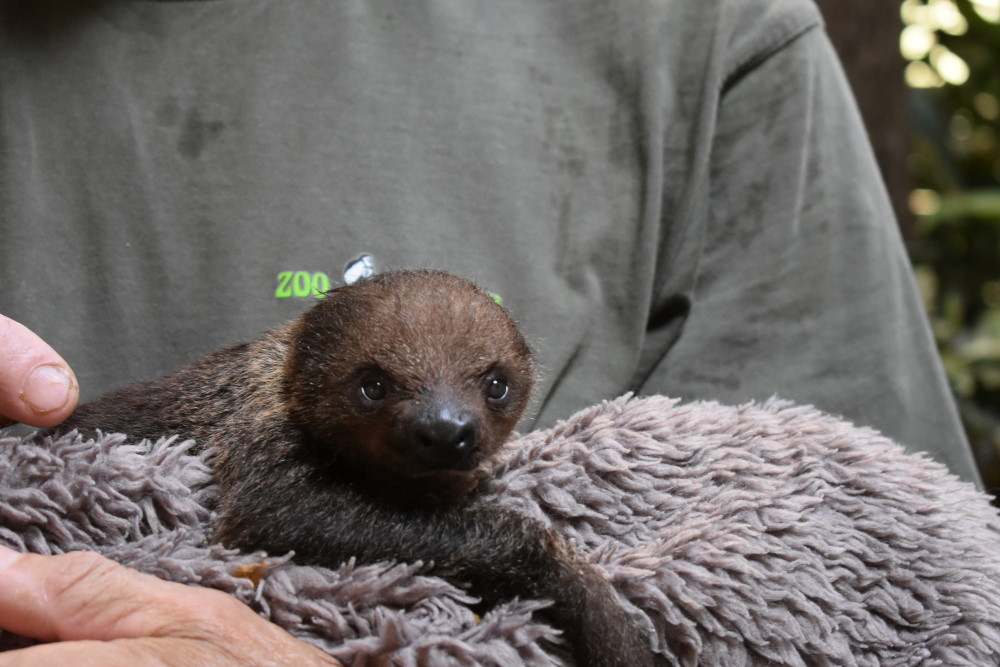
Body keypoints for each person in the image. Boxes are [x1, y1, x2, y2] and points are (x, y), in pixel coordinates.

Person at [0, 0, 983, 662]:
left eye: (492, 393)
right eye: (376, 390)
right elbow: (270, 515)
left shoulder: (702, 31)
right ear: (307, 378)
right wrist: (535, 558)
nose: (446, 423)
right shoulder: (273, 409)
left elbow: (894, 602)